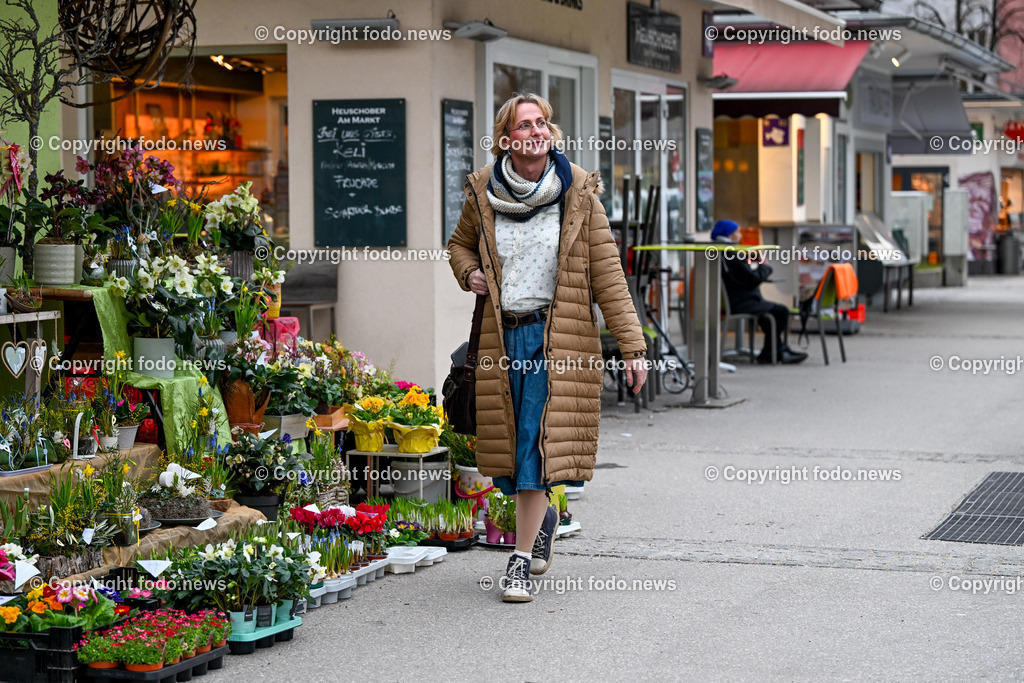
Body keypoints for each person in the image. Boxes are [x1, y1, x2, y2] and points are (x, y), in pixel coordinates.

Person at [448, 93, 647, 602]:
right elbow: (459, 245)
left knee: (532, 442)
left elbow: (608, 276)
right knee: (508, 457)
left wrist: (633, 347)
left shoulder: (578, 195)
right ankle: (545, 518)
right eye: (523, 124)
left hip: (555, 339)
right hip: (500, 336)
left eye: (541, 122)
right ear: (506, 137)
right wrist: (469, 272)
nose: (535, 130)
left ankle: (517, 560)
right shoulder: (484, 193)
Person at [712, 220, 807, 365]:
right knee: (781, 312)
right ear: (730, 235)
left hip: (735, 299)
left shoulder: (721, 251)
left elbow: (740, 276)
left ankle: (774, 351)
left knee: (769, 315)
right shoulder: (731, 253)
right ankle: (774, 352)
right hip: (742, 302)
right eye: (737, 232)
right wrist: (764, 266)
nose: (740, 234)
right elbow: (751, 279)